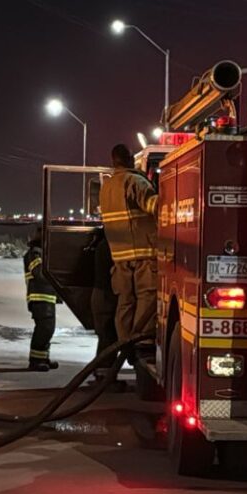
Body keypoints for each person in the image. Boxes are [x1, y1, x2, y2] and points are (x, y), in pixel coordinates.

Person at [100, 143, 159, 359]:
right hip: (143, 253)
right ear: (130, 159)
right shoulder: (135, 181)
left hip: (120, 256)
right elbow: (155, 206)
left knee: (125, 302)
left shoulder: (107, 187)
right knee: (147, 297)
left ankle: (125, 343)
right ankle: (141, 341)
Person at [85, 226, 119, 378]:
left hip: (101, 296)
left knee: (106, 337)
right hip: (106, 296)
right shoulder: (108, 247)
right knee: (108, 337)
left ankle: (103, 372)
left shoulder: (101, 246)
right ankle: (104, 374)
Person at [22, 229, 59, 371]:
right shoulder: (34, 254)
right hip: (39, 296)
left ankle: (43, 358)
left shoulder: (41, 253)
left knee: (48, 329)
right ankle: (35, 361)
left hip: (47, 297)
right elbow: (39, 273)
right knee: (44, 329)